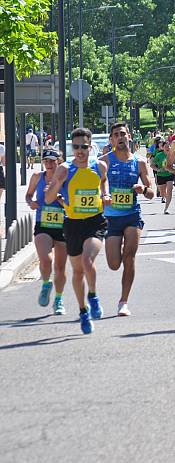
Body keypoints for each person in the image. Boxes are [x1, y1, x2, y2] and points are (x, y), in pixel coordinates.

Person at [45, 127, 111, 335]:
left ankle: (93, 295)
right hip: (72, 224)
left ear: (90, 147)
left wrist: (106, 194)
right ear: (71, 147)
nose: (80, 151)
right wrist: (58, 185)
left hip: (95, 221)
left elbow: (103, 182)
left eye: (84, 146)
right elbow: (48, 199)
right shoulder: (63, 169)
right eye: (76, 147)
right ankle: (83, 310)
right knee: (77, 272)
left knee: (87, 261)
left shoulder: (99, 166)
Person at [103, 122, 154, 316]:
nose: (120, 137)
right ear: (112, 139)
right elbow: (97, 184)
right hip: (111, 218)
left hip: (132, 215)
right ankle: (120, 251)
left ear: (129, 136)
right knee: (114, 264)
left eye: (123, 134)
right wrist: (103, 195)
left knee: (129, 257)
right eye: (116, 135)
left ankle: (123, 301)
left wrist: (143, 189)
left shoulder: (139, 162)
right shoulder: (105, 161)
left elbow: (151, 192)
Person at [25, 149, 68, 315]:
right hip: (42, 223)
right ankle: (45, 284)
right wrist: (31, 203)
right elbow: (28, 195)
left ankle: (58, 299)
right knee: (45, 259)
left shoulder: (66, 179)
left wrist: (60, 200)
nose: (49, 164)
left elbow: (71, 204)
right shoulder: (37, 176)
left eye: (52, 161)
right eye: (46, 161)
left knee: (60, 266)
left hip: (63, 224)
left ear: (59, 161)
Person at [151, 140, 174, 213]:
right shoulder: (159, 155)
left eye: (168, 146)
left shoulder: (173, 155)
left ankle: (166, 208)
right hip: (160, 175)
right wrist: (158, 169)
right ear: (162, 148)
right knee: (162, 193)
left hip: (169, 175)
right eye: (166, 146)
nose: (167, 148)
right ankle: (163, 197)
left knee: (170, 190)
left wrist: (173, 167)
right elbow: (152, 165)